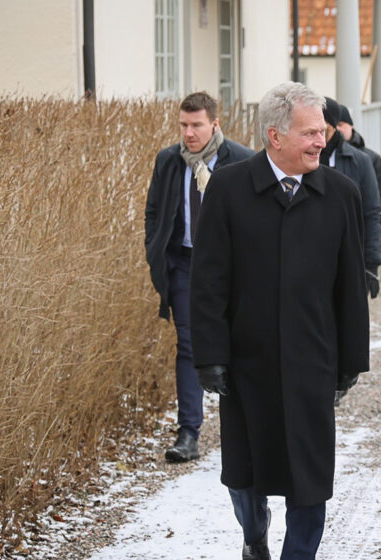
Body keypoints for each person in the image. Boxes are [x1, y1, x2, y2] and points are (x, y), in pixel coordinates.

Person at [190, 82, 370, 560]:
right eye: (311, 133)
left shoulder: (341, 194)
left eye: (324, 132)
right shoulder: (228, 189)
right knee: (246, 477)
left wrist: (350, 359)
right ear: (274, 136)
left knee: (310, 481)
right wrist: (209, 356)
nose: (322, 141)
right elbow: (208, 281)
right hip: (247, 366)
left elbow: (349, 285)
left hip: (313, 363)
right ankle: (254, 536)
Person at [144, 91, 253, 463]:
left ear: (215, 124)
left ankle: (243, 432)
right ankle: (188, 433)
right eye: (183, 125)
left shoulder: (242, 161)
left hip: (232, 269)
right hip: (185, 266)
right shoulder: (169, 161)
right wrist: (155, 253)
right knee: (189, 349)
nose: (189, 133)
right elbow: (154, 212)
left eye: (196, 125)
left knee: (238, 346)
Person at [321, 97, 381, 297]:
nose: (320, 139)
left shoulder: (361, 162)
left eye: (325, 131)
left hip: (349, 255)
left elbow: (371, 212)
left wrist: (371, 265)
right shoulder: (302, 159)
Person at [338, 105, 381, 270]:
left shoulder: (370, 159)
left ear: (351, 126)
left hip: (363, 250)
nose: (337, 129)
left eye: (341, 124)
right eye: (333, 125)